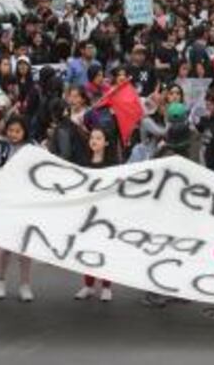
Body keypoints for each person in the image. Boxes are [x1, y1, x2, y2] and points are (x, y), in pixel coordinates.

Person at [0, 115, 35, 302]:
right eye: (10, 130)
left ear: (24, 131)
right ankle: (0, 281)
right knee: (4, 246)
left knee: (25, 247)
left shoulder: (34, 149)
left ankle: (25, 284)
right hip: (5, 204)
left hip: (27, 204)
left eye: (18, 131)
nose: (14, 134)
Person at [74, 127, 116, 302]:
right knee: (88, 249)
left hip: (106, 215)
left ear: (106, 142)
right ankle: (88, 285)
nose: (94, 140)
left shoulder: (113, 165)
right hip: (87, 214)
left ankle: (106, 287)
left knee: (105, 250)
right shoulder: (84, 162)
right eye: (92, 137)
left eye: (99, 138)